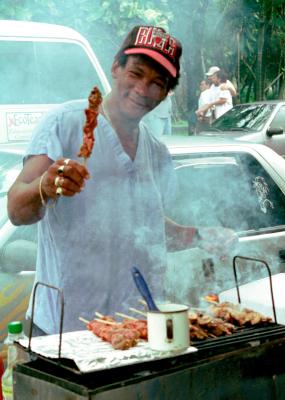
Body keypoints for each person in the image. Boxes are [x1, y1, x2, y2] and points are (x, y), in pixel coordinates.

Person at [7, 25, 237, 335]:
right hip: (63, 331)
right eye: (136, 73)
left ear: (166, 93)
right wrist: (44, 187)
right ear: (116, 68)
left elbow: (149, 230)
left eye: (157, 83)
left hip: (136, 331)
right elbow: (16, 211)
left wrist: (199, 236)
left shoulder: (156, 153)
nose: (143, 89)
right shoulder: (66, 124)